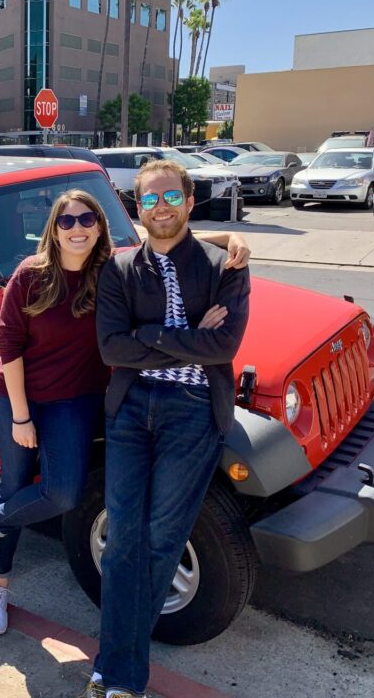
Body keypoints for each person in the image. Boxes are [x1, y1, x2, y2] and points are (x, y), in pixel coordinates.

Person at [0, 187, 250, 638]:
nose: (77, 228)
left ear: (100, 227)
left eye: (87, 220)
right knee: (16, 483)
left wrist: (229, 242)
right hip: (18, 395)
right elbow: (9, 348)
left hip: (75, 401)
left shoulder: (111, 271)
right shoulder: (32, 274)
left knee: (62, 494)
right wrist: (21, 417)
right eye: (67, 221)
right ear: (54, 229)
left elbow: (164, 236)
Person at [84, 159, 251, 698]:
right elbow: (112, 348)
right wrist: (180, 336)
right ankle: (120, 673)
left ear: (189, 202)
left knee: (161, 543)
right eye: (150, 199)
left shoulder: (225, 265)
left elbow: (223, 346)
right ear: (136, 207)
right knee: (122, 544)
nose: (161, 207)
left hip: (193, 411)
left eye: (171, 197)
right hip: (131, 410)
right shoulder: (120, 269)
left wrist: (146, 336)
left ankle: (115, 676)